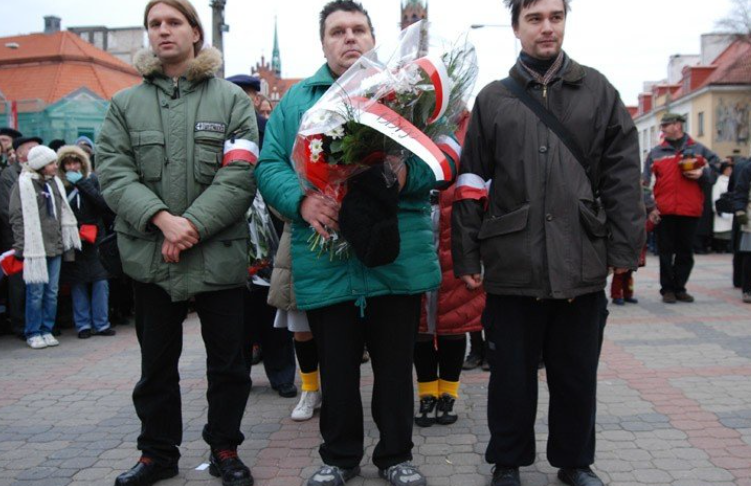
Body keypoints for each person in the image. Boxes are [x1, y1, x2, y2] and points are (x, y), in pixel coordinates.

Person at [256, 2, 455, 485]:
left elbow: (442, 155)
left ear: (373, 38)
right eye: (337, 31)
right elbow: (269, 165)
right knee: (337, 368)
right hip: (326, 254)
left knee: (395, 367)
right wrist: (302, 201)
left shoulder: (406, 92)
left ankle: (396, 456)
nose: (349, 38)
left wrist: (406, 175)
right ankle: (340, 458)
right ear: (323, 42)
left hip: (395, 254)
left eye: (358, 30)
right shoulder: (298, 100)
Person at [452, 1, 645, 485]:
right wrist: (467, 253)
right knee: (510, 376)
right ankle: (507, 461)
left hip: (581, 257)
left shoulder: (598, 90)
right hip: (512, 261)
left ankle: (575, 463)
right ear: (516, 27)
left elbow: (622, 175)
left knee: (575, 374)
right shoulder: (494, 99)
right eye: (535, 18)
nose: (547, 28)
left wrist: (624, 252)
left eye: (555, 17)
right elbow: (471, 181)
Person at [96, 1, 258, 485]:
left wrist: (191, 226)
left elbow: (239, 175)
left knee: (228, 365)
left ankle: (225, 448)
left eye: (173, 22)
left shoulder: (232, 100)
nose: (163, 31)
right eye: (154, 24)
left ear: (195, 32)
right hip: (151, 255)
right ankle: (157, 454)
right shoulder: (125, 104)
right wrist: (163, 221)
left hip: (218, 254)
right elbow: (113, 172)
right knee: (156, 367)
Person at [414, 112, 485, 428]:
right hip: (417, 237)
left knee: (454, 324)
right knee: (420, 328)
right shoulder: (411, 116)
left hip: (457, 236)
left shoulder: (469, 124)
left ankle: (448, 395)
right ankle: (427, 394)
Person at [644, 112, 720, 304]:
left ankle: (680, 288)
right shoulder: (656, 153)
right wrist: (650, 207)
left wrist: (703, 174)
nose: (662, 129)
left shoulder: (698, 149)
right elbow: (644, 184)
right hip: (664, 210)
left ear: (677, 125)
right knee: (665, 252)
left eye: (665, 125)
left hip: (690, 209)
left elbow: (718, 166)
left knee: (685, 252)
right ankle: (667, 290)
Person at [9, 145, 81, 349]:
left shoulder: (55, 183)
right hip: (35, 248)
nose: (56, 166)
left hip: (55, 246)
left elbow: (61, 213)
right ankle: (33, 331)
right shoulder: (23, 184)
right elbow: (16, 217)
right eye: (51, 163)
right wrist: (22, 244)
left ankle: (47, 329)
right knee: (35, 292)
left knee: (52, 291)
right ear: (40, 165)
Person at [57, 145, 116, 339]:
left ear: (82, 164)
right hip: (73, 238)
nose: (72, 167)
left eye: (75, 163)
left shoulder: (92, 180)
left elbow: (102, 204)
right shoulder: (60, 185)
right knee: (78, 283)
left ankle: (102, 323)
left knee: (101, 281)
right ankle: (83, 325)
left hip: (95, 237)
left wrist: (82, 183)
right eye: (68, 164)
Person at [1, 135, 41, 338]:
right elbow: (7, 209)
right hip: (16, 237)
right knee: (18, 284)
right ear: (18, 153)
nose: (35, 151)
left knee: (37, 283)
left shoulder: (40, 174)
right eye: (30, 148)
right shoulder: (9, 175)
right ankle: (19, 324)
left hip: (39, 236)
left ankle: (36, 323)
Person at [732, 160, 751, 303]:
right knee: (749, 254)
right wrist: (740, 210)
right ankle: (747, 290)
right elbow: (740, 191)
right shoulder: (748, 168)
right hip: (750, 215)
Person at [712, 162, 733, 252]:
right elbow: (715, 196)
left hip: (730, 209)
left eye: (730, 169)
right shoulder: (719, 181)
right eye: (727, 169)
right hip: (722, 209)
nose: (729, 171)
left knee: (729, 230)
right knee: (721, 230)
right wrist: (717, 209)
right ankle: (719, 247)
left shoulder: (732, 180)